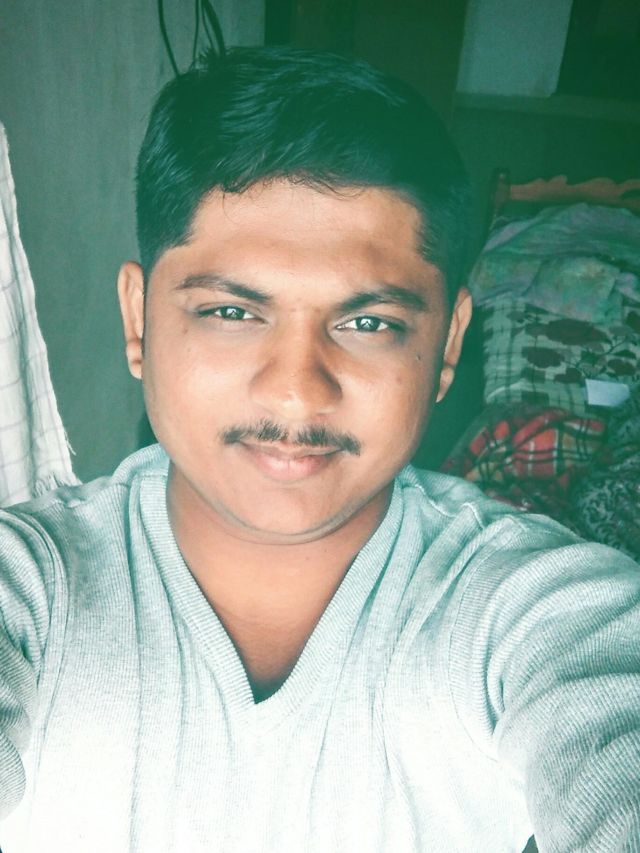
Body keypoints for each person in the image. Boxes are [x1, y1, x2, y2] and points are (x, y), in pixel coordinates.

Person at [0, 46, 638, 853]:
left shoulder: (539, 611)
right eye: (232, 313)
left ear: (448, 346)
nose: (297, 391)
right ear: (139, 318)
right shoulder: (32, 587)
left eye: (368, 323)